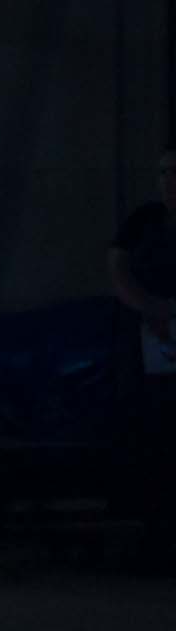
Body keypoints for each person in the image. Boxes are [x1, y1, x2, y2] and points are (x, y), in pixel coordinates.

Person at [108, 144, 176, 565]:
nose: (169, 182)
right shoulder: (145, 221)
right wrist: (150, 307)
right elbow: (118, 269)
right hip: (147, 347)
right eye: (164, 173)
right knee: (150, 433)